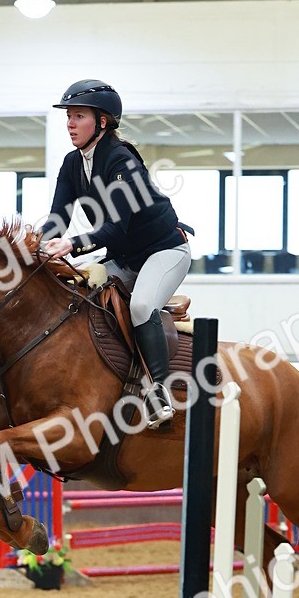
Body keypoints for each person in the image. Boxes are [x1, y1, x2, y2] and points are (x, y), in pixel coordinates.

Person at [40, 79, 193, 429]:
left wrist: (72, 245)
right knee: (79, 298)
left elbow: (115, 229)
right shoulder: (73, 163)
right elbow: (57, 220)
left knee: (141, 306)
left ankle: (159, 392)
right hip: (125, 258)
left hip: (165, 251)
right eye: (68, 117)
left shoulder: (122, 161)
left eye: (78, 116)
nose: (70, 124)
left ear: (102, 122)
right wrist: (37, 246)